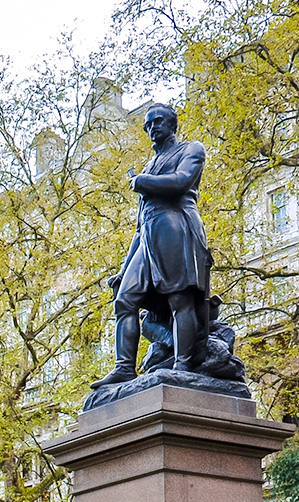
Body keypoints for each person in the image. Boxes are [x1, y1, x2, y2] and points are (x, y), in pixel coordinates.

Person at [92, 103, 214, 389]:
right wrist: (124, 268)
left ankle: (183, 364)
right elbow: (138, 226)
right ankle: (124, 367)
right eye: (147, 124)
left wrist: (142, 181)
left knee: (179, 299)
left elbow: (182, 182)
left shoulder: (190, 149)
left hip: (176, 226)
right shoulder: (148, 166)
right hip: (148, 234)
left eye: (157, 121)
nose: (152, 127)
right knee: (124, 299)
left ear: (172, 124)